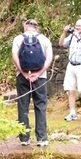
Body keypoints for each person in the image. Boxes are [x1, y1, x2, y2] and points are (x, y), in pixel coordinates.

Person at [12, 18, 53, 147]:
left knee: (23, 106)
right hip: (40, 77)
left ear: (25, 27)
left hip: (22, 76)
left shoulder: (18, 39)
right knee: (40, 105)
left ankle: (24, 138)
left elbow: (14, 56)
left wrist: (24, 73)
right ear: (37, 27)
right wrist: (39, 74)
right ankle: (41, 138)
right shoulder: (44, 39)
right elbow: (49, 58)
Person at [59, 18, 81, 123]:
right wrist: (64, 32)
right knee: (70, 90)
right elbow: (61, 43)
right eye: (76, 25)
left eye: (79, 25)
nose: (77, 27)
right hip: (71, 65)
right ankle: (72, 112)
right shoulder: (71, 36)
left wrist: (79, 37)